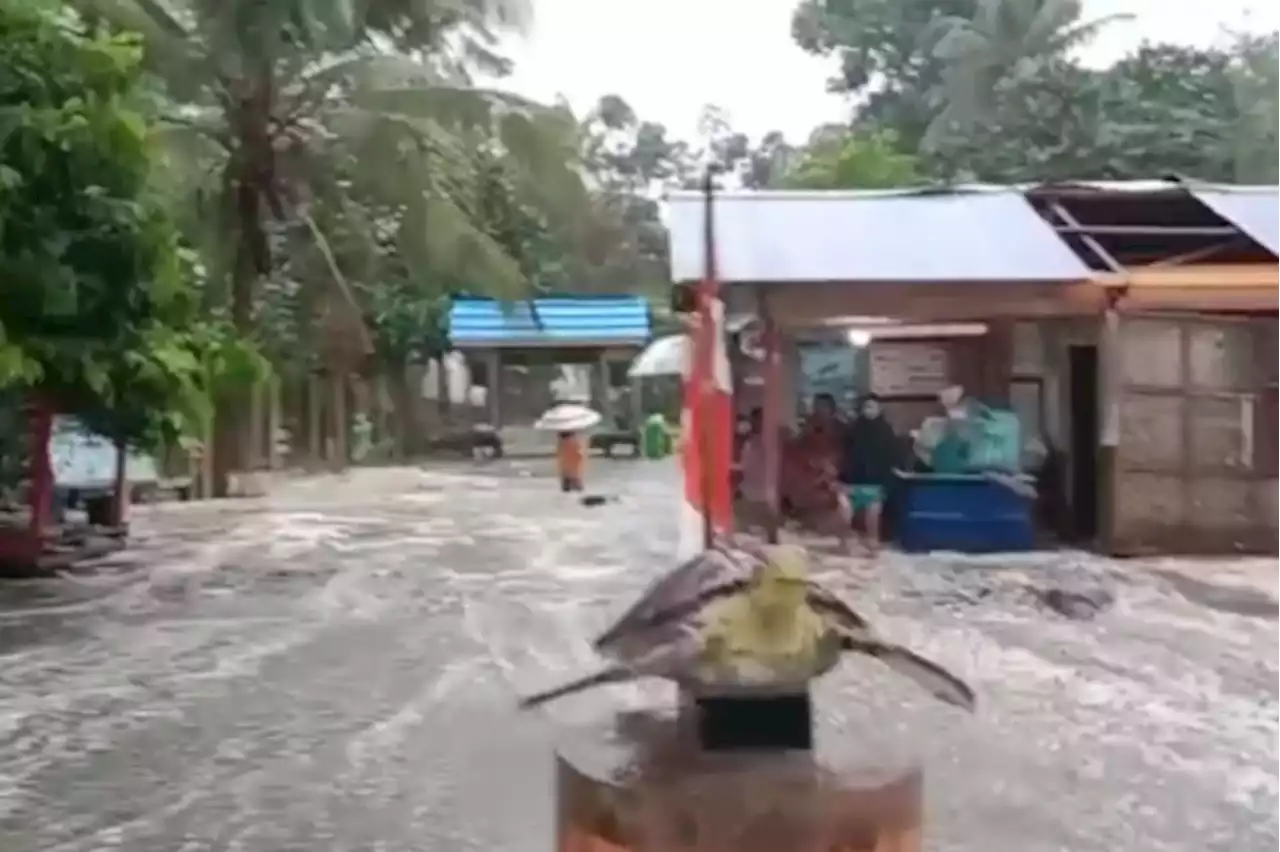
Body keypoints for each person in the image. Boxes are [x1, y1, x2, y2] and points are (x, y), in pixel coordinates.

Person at [840, 394, 899, 554]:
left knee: (872, 518)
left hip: (876, 485)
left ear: (880, 409)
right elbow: (847, 456)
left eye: (872, 407)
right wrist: (844, 481)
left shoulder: (886, 432)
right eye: (866, 407)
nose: (868, 410)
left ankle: (872, 544)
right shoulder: (854, 430)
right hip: (854, 483)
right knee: (845, 514)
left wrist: (886, 486)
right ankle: (848, 544)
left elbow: (891, 460)